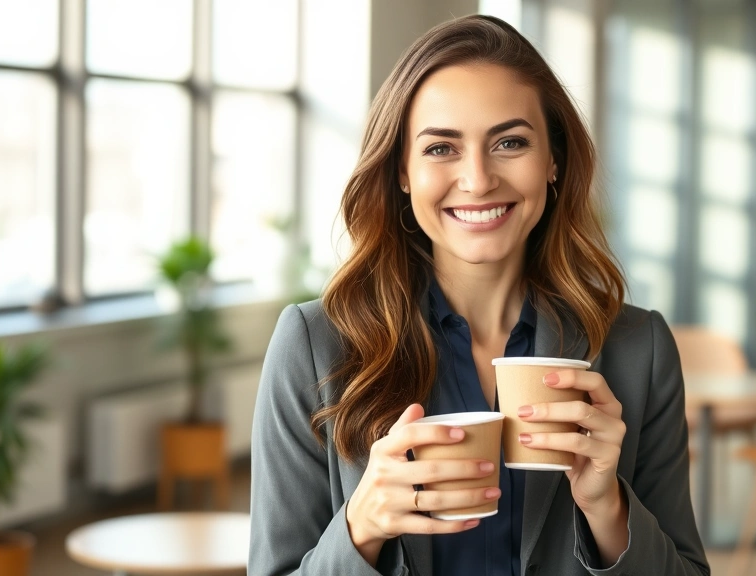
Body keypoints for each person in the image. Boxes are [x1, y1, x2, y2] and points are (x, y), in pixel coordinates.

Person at [249, 14, 708, 576]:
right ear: (401, 171)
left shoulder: (640, 350)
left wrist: (607, 507)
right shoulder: (315, 347)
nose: (478, 179)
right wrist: (362, 527)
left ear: (554, 161)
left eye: (510, 142)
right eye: (441, 148)